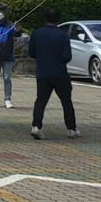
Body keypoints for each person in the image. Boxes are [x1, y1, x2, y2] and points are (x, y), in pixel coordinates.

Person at [27, 8, 80, 140]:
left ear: (46, 18)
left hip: (42, 72)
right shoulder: (63, 35)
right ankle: (71, 129)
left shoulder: (37, 33)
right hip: (59, 72)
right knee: (66, 101)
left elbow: (31, 52)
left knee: (40, 101)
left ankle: (36, 126)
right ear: (58, 20)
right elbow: (67, 56)